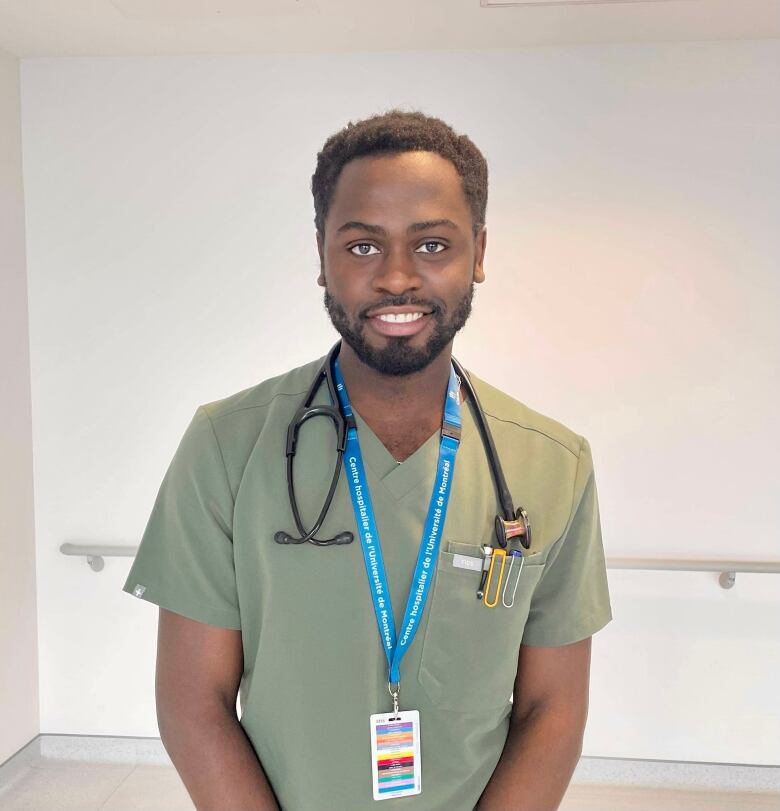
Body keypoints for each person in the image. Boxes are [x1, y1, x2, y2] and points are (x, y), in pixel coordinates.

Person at [123, 109, 612, 811]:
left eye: (433, 244)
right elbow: (192, 701)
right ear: (320, 254)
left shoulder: (552, 463)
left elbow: (552, 709)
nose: (396, 278)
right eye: (361, 247)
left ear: (477, 252)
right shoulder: (227, 445)